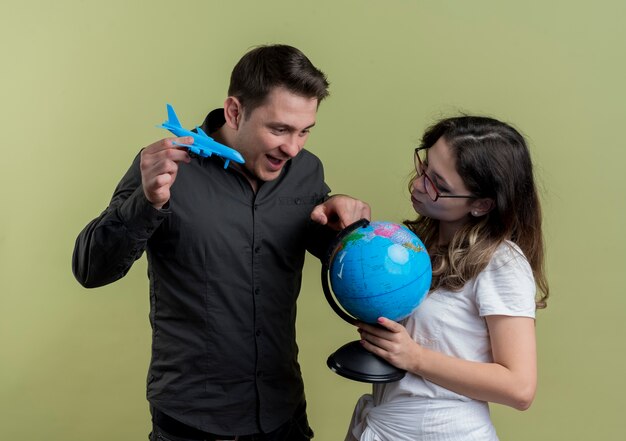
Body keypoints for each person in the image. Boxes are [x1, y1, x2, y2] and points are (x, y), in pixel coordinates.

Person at [72, 44, 370, 441]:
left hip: (283, 414)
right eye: (279, 129)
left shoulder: (307, 171)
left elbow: (330, 248)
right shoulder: (166, 169)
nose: (293, 148)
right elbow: (91, 270)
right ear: (234, 111)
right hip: (193, 420)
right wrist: (146, 202)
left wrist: (346, 222)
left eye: (304, 131)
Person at [346, 116, 549, 440]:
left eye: (438, 185)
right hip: (385, 426)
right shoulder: (418, 246)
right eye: (424, 167)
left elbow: (520, 387)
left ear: (481, 204)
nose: (417, 184)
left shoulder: (501, 264)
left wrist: (415, 357)